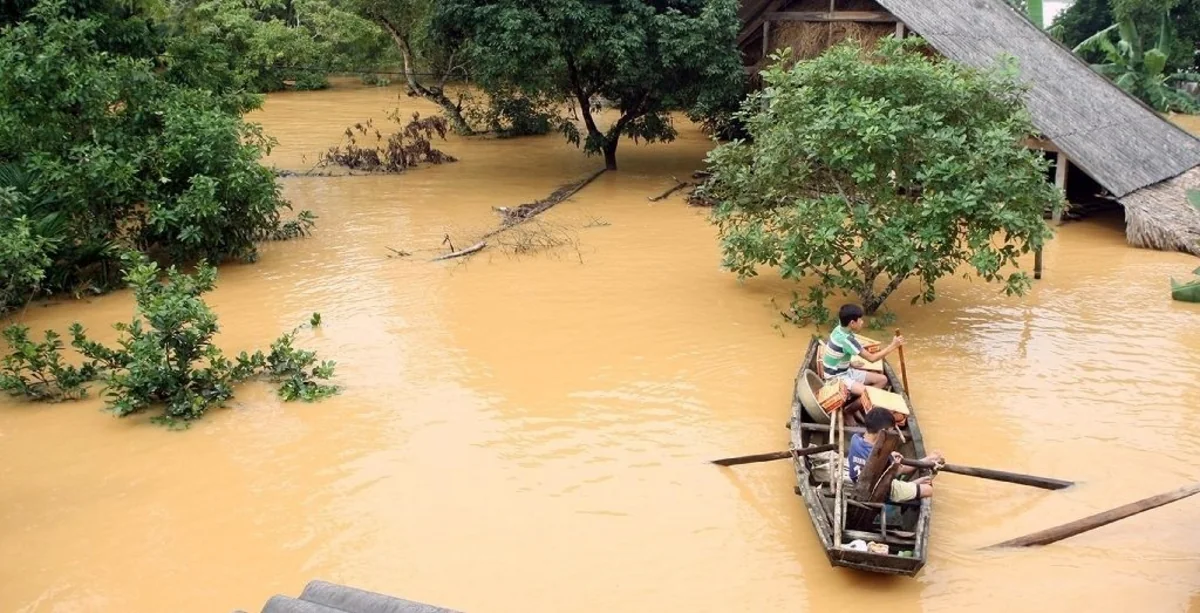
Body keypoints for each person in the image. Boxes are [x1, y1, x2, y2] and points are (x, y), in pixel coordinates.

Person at [847, 407, 943, 502]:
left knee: (895, 473)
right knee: (928, 490)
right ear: (883, 432)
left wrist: (890, 456)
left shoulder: (855, 439)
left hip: (859, 483)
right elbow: (902, 470)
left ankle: (909, 485)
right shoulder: (880, 456)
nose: (890, 434)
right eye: (889, 431)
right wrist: (927, 459)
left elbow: (870, 453)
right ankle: (910, 485)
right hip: (880, 490)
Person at [822, 303, 904, 396]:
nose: (862, 322)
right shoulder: (847, 340)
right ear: (852, 323)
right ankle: (852, 408)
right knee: (866, 394)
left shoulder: (840, 328)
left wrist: (850, 364)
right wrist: (893, 346)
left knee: (883, 380)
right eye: (860, 320)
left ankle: (857, 398)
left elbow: (839, 353)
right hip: (835, 377)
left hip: (845, 370)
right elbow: (872, 358)